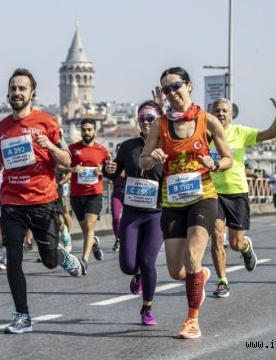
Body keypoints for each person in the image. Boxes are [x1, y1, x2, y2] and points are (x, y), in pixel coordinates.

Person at [0, 68, 82, 334]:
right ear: (8, 93)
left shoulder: (47, 123)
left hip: (43, 200)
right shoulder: (2, 128)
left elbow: (67, 160)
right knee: (13, 257)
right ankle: (22, 315)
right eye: (13, 89)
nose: (17, 93)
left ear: (32, 94)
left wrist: (48, 146)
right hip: (11, 201)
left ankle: (59, 254)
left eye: (22, 89)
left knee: (48, 260)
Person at [139, 67, 232, 339]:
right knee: (177, 270)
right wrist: (152, 158)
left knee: (192, 257)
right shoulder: (160, 125)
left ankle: (192, 320)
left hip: (203, 196)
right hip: (173, 200)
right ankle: (200, 275)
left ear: (189, 86)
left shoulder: (208, 121)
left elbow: (228, 159)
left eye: (176, 86)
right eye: (166, 90)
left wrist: (214, 163)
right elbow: (143, 161)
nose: (172, 93)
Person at [208, 95, 276, 298]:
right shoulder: (204, 133)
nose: (221, 113)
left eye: (224, 110)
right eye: (217, 110)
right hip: (212, 192)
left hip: (237, 192)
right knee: (217, 236)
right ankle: (222, 281)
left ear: (231, 114)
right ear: (211, 112)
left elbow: (271, 133)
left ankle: (245, 247)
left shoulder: (240, 132)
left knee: (235, 243)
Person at [105, 100, 164, 325]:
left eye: (150, 118)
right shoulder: (128, 146)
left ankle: (147, 308)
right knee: (128, 265)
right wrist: (108, 170)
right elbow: (114, 172)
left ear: (158, 120)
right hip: (131, 211)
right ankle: (136, 274)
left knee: (148, 261)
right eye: (142, 118)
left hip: (156, 213)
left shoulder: (166, 146)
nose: (146, 122)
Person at [60, 119, 110, 274]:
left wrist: (103, 171)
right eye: (83, 130)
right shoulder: (72, 149)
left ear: (95, 131)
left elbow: (111, 170)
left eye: (89, 129)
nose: (86, 132)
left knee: (89, 226)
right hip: (76, 195)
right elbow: (59, 165)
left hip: (94, 194)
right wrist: (72, 169)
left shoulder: (102, 150)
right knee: (85, 228)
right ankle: (93, 242)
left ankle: (84, 261)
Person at [109, 143, 126, 252]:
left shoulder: (132, 162)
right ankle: (118, 239)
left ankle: (127, 238)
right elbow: (108, 175)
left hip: (130, 193)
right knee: (115, 216)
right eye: (119, 150)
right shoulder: (114, 164)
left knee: (127, 218)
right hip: (117, 192)